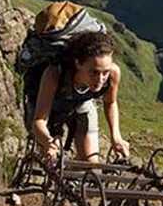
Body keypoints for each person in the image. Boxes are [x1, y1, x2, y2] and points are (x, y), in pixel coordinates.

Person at [27, 30, 130, 162]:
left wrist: (116, 137)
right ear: (78, 63)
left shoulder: (113, 74)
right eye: (94, 72)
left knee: (90, 164)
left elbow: (110, 102)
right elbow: (39, 120)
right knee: (50, 162)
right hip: (47, 106)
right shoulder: (54, 74)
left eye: (105, 72)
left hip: (81, 103)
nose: (100, 79)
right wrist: (48, 142)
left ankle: (75, 182)